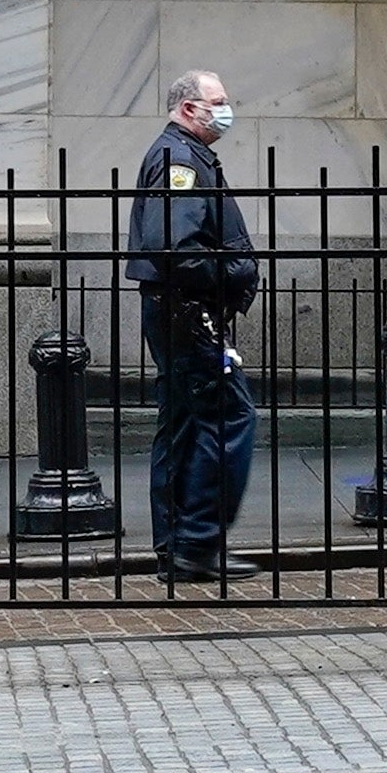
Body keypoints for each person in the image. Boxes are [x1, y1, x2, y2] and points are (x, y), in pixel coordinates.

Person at [123, 72, 262, 580]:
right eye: (217, 103)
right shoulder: (179, 160)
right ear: (187, 108)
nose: (225, 112)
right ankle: (198, 541)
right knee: (229, 417)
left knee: (184, 425)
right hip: (188, 312)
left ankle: (179, 547)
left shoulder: (184, 155)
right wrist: (236, 272)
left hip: (180, 311)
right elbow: (177, 249)